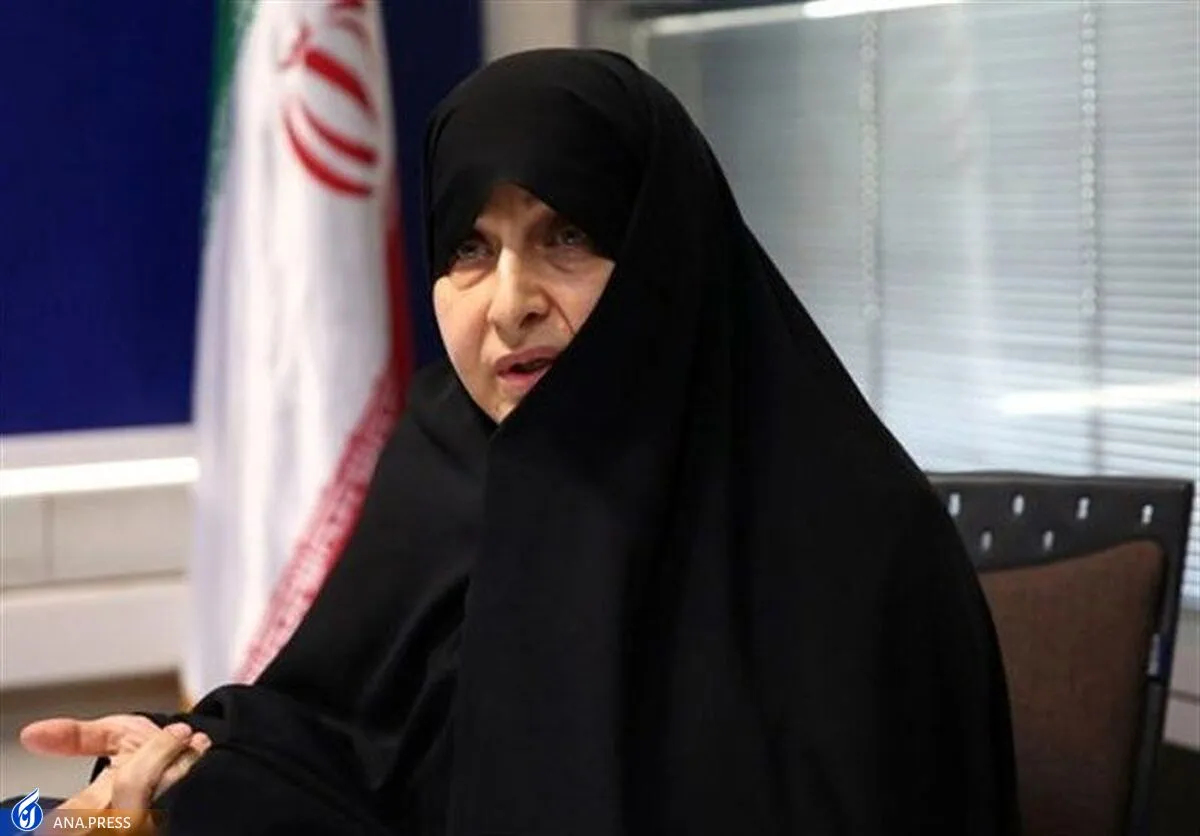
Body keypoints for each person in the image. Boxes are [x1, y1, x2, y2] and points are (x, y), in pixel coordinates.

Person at [21, 48, 1018, 834]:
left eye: (565, 237)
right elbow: (350, 754)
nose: (508, 305)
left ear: (667, 255)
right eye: (470, 248)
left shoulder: (852, 535)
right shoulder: (450, 460)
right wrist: (178, 770)